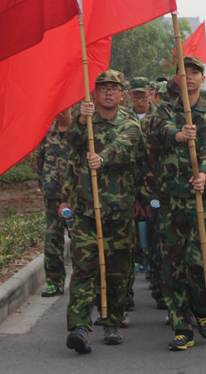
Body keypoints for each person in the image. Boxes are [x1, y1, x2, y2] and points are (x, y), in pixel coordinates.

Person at [61, 70, 144, 354]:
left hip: (119, 213)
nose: (108, 92)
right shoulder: (87, 121)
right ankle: (80, 327)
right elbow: (71, 144)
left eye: (114, 88)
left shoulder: (130, 123)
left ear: (123, 94)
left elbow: (126, 146)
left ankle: (112, 321)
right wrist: (81, 120)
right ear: (95, 93)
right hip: (87, 211)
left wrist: (103, 158)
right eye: (103, 88)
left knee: (118, 272)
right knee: (84, 269)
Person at [145, 55, 206, 351]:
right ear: (176, 79)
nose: (188, 76)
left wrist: (203, 172)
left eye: (194, 72)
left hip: (201, 199)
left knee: (198, 262)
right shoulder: (165, 110)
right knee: (172, 266)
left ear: (203, 78)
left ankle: (201, 310)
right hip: (170, 199)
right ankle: (181, 326)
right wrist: (177, 134)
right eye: (183, 72)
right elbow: (156, 131)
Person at [34, 107, 73, 297]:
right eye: (56, 108)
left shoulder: (79, 133)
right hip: (52, 197)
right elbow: (39, 163)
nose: (60, 112)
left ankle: (86, 285)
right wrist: (45, 186)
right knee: (52, 240)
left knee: (82, 242)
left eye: (64, 108)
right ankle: (54, 282)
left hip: (75, 197)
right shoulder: (47, 134)